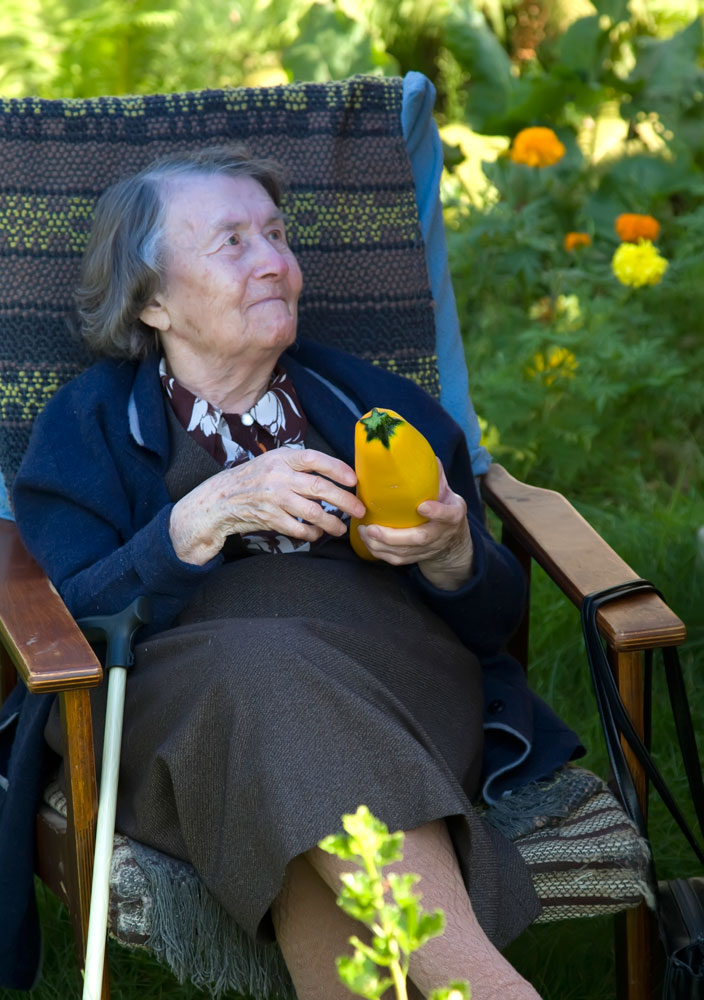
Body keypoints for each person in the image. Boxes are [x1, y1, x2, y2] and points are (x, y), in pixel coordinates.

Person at [8, 145, 582, 1000]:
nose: (274, 260)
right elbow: (69, 622)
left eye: (278, 236)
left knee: (288, 767)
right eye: (233, 242)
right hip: (182, 708)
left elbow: (493, 622)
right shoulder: (86, 426)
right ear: (153, 300)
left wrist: (453, 555)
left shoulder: (379, 409)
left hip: (393, 684)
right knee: (263, 685)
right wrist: (193, 523)